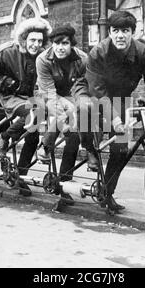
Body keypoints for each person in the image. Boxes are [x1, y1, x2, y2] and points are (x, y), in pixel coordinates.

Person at [85, 11, 145, 213]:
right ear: (110, 32)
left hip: (120, 99)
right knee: (90, 132)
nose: (120, 35)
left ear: (132, 33)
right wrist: (115, 121)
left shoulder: (143, 53)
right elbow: (98, 92)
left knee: (120, 150)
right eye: (115, 30)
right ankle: (90, 151)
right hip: (94, 95)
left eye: (125, 31)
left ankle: (106, 193)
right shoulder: (98, 53)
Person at [0, 17, 51, 195]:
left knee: (33, 136)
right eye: (32, 40)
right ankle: (4, 137)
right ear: (24, 39)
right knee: (35, 112)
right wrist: (10, 83)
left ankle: (20, 176)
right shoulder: (5, 52)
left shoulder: (42, 55)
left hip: (31, 98)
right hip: (10, 97)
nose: (36, 45)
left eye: (40, 41)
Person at [36, 25, 99, 201]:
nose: (60, 47)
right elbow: (49, 95)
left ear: (72, 44)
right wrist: (64, 123)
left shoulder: (82, 59)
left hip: (72, 94)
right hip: (46, 94)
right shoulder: (43, 59)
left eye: (64, 43)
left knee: (77, 126)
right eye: (56, 43)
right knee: (68, 116)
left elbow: (86, 86)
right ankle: (46, 145)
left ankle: (64, 181)